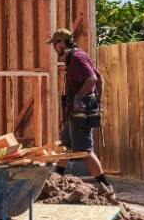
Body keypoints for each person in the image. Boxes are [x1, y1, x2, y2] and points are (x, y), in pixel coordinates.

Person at [47, 28, 115, 198]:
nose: (54, 48)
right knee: (66, 147)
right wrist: (97, 101)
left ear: (62, 43)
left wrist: (80, 98)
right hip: (73, 112)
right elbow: (99, 78)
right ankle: (56, 180)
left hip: (79, 113)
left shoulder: (77, 58)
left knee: (85, 151)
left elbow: (92, 78)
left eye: (55, 45)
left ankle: (107, 187)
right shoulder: (75, 58)